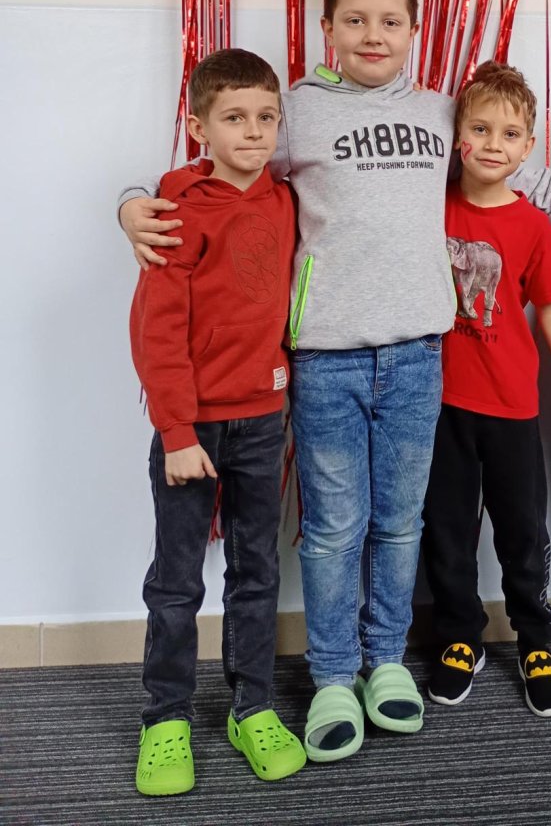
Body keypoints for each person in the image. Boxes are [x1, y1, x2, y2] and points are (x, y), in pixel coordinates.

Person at [119, 0, 551, 764]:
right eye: (355, 20)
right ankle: (335, 675)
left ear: (413, 30)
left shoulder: (441, 112)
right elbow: (215, 168)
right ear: (327, 28)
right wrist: (131, 202)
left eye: (390, 21)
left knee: (399, 522)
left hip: (417, 357)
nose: (373, 35)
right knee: (335, 527)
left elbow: (521, 173)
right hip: (326, 362)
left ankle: (385, 662)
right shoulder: (295, 113)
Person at [129, 49, 305, 796]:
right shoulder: (175, 212)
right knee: (176, 581)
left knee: (256, 572)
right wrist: (175, 432)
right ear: (199, 126)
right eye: (235, 118)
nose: (254, 132)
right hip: (191, 430)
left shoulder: (286, 199)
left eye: (266, 117)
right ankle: (165, 718)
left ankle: (251, 707)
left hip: (263, 420)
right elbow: (156, 330)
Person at [423, 62, 551, 718]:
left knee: (521, 529)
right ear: (456, 134)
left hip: (511, 404)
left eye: (509, 134)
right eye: (480, 128)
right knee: (446, 527)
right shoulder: (428, 205)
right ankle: (460, 634)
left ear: (527, 147)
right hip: (437, 403)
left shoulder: (533, 226)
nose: (493, 143)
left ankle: (535, 639)